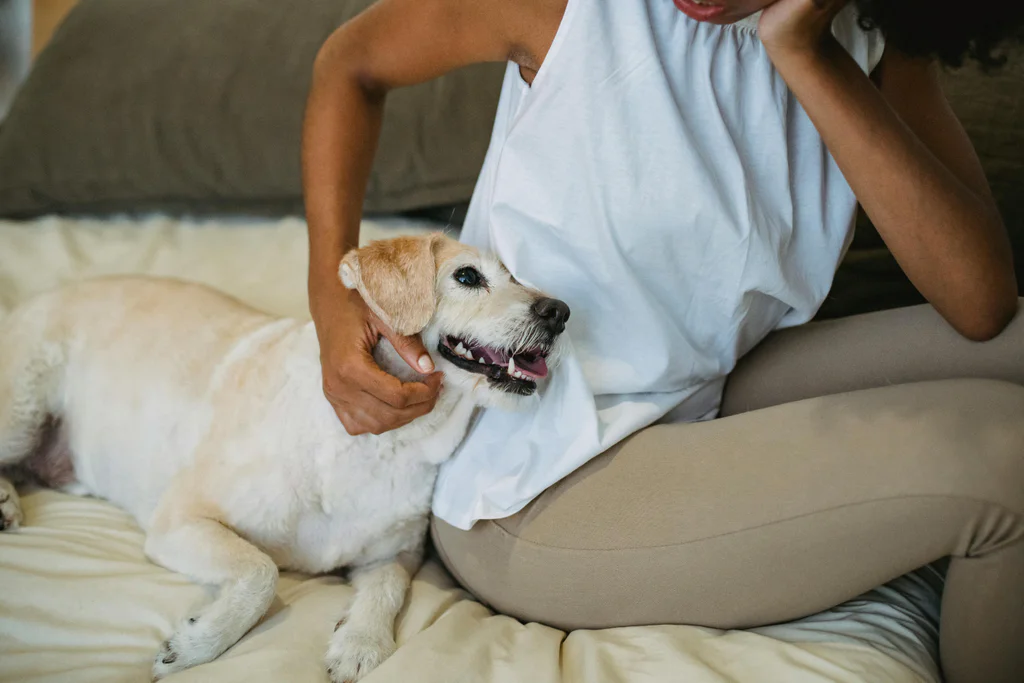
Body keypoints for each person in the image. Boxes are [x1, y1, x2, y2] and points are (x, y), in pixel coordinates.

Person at [301, 1, 1024, 681]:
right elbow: (350, 63)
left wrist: (801, 48)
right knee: (1008, 462)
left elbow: (981, 302)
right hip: (536, 474)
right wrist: (333, 297)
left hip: (704, 389)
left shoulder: (868, 41)